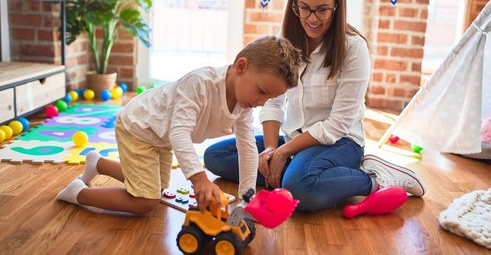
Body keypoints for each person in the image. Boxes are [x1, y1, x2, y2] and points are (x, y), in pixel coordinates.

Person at [204, 0, 427, 211]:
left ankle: (372, 177)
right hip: (293, 139)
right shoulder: (285, 40)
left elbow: (338, 124)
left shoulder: (354, 48)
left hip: (340, 143)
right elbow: (274, 102)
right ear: (295, 5)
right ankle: (299, 176)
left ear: (337, 7)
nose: (312, 18)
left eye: (322, 10)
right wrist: (270, 150)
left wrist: (282, 153)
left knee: (299, 188)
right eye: (305, 8)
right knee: (215, 157)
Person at [56, 36, 305, 214]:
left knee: (159, 186)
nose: (261, 103)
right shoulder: (199, 84)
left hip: (159, 136)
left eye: (268, 99)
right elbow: (179, 133)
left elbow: (247, 147)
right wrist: (199, 179)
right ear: (241, 66)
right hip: (139, 127)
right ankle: (77, 193)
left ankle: (97, 163)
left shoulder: (244, 102)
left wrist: (247, 194)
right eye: (261, 92)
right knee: (146, 201)